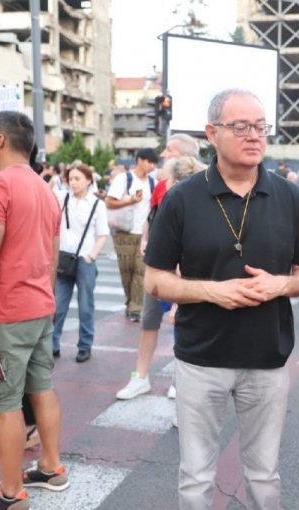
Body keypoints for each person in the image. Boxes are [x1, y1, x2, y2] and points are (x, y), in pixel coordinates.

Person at [144, 88, 299, 509]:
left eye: (260, 127)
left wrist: (278, 285)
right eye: (240, 126)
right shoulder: (181, 198)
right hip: (200, 358)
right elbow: (155, 280)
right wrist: (212, 292)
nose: (254, 136)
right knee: (195, 477)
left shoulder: (288, 196)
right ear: (212, 133)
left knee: (263, 477)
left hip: (267, 358)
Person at [0, 111, 68, 510]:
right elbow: (50, 256)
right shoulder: (45, 190)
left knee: (4, 405)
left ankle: (9, 494)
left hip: (6, 311)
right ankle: (52, 467)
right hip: (40, 306)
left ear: (2, 140)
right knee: (42, 388)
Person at [117, 155, 202, 401]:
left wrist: (177, 300)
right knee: (149, 320)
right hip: (157, 265)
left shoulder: (192, 202)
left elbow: (186, 252)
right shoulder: (162, 191)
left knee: (182, 326)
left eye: (170, 153)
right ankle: (140, 376)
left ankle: (179, 382)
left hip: (181, 273)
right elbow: (150, 218)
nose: (161, 164)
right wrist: (145, 241)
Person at [51, 164, 109, 363]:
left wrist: (91, 257)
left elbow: (102, 234)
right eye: (70, 179)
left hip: (85, 261)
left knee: (85, 306)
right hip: (63, 259)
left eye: (77, 178)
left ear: (89, 181)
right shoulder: (62, 198)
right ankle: (52, 344)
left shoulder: (96, 204)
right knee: (57, 305)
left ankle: (85, 346)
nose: (73, 183)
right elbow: (45, 192)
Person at [106, 148, 157, 322]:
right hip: (124, 232)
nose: (152, 166)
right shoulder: (124, 179)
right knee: (126, 271)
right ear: (140, 160)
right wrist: (130, 201)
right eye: (150, 161)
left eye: (154, 163)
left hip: (144, 235)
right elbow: (109, 202)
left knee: (140, 271)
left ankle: (135, 308)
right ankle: (130, 302)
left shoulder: (152, 182)